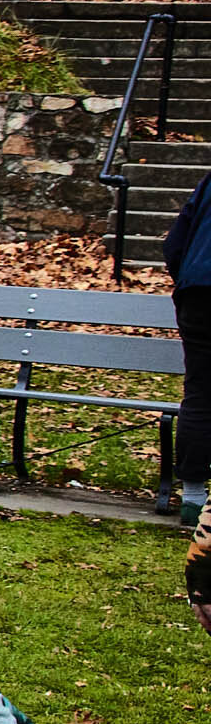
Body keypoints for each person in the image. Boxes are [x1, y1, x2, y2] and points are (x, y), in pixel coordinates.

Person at [165, 168, 211, 529]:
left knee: (199, 395)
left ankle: (194, 499)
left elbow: (175, 244)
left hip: (198, 296)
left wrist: (188, 279)